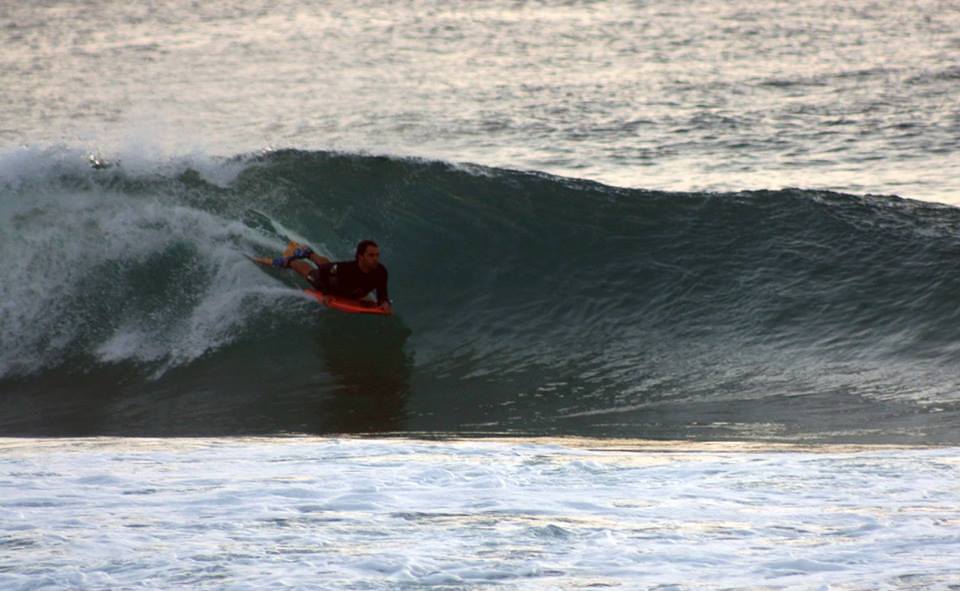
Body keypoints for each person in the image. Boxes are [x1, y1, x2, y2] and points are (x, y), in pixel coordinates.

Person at [273, 239, 391, 312]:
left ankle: (309, 253)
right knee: (313, 273)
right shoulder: (348, 269)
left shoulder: (381, 271)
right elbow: (325, 270)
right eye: (371, 255)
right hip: (329, 285)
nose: (376, 259)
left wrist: (384, 302)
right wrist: (326, 293)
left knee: (330, 266)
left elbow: (382, 294)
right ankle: (289, 261)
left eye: (377, 255)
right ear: (361, 257)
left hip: (349, 291)